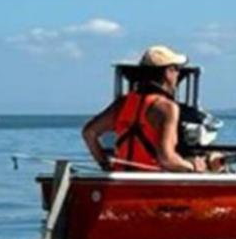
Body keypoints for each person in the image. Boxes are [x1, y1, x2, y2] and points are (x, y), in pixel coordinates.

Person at [82, 45, 211, 173]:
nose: (178, 74)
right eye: (177, 69)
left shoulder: (123, 103)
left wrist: (105, 165)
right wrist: (192, 166)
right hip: (152, 182)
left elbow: (89, 132)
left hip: (122, 179)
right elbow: (166, 158)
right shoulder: (166, 107)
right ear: (168, 72)